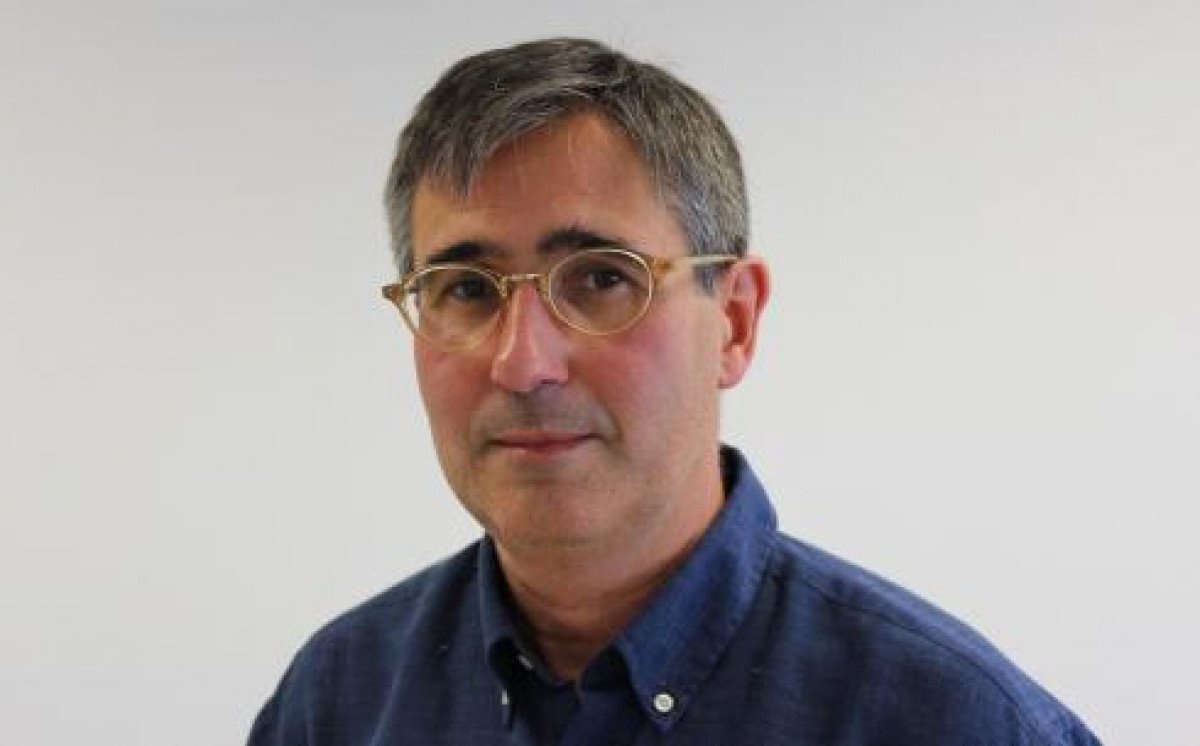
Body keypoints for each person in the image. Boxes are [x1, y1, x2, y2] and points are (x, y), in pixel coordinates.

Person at [248, 38, 1101, 745]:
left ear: (733, 320)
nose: (522, 362)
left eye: (600, 279)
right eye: (466, 290)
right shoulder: (336, 703)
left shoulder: (959, 723)